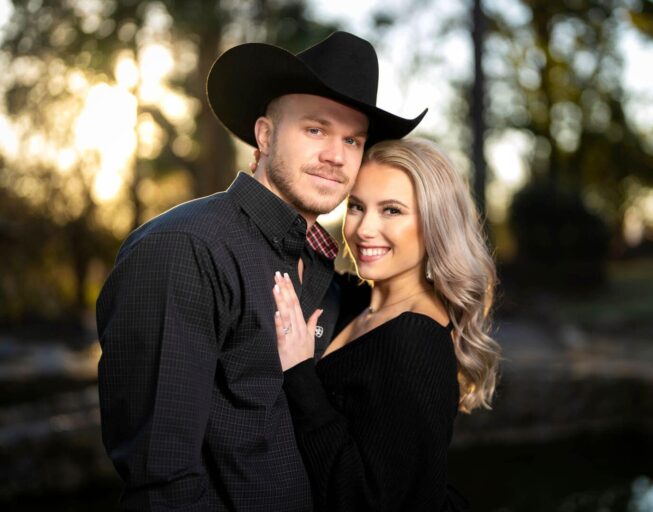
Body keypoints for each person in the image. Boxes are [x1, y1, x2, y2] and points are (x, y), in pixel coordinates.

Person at [96, 32, 426, 511]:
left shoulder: (325, 272)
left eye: (352, 139)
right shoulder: (183, 250)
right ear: (265, 136)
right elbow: (162, 483)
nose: (337, 155)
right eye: (316, 130)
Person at [268, 137, 501, 511]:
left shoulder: (414, 340)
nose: (363, 229)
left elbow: (367, 502)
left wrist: (298, 374)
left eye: (392, 211)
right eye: (356, 207)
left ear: (434, 225)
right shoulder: (362, 300)